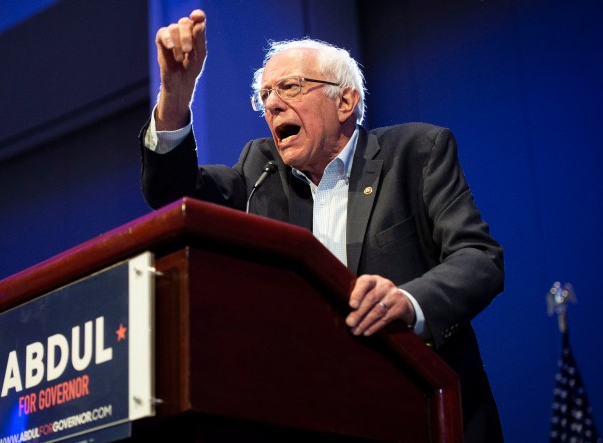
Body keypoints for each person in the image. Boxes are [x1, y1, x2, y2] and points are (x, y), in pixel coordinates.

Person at [140, 9, 504, 442]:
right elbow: (171, 191)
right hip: (312, 414)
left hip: (422, 409)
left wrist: (408, 301)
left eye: (290, 87)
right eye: (265, 96)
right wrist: (175, 97)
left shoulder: (416, 152)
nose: (273, 104)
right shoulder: (259, 171)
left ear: (345, 101)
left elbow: (479, 259)